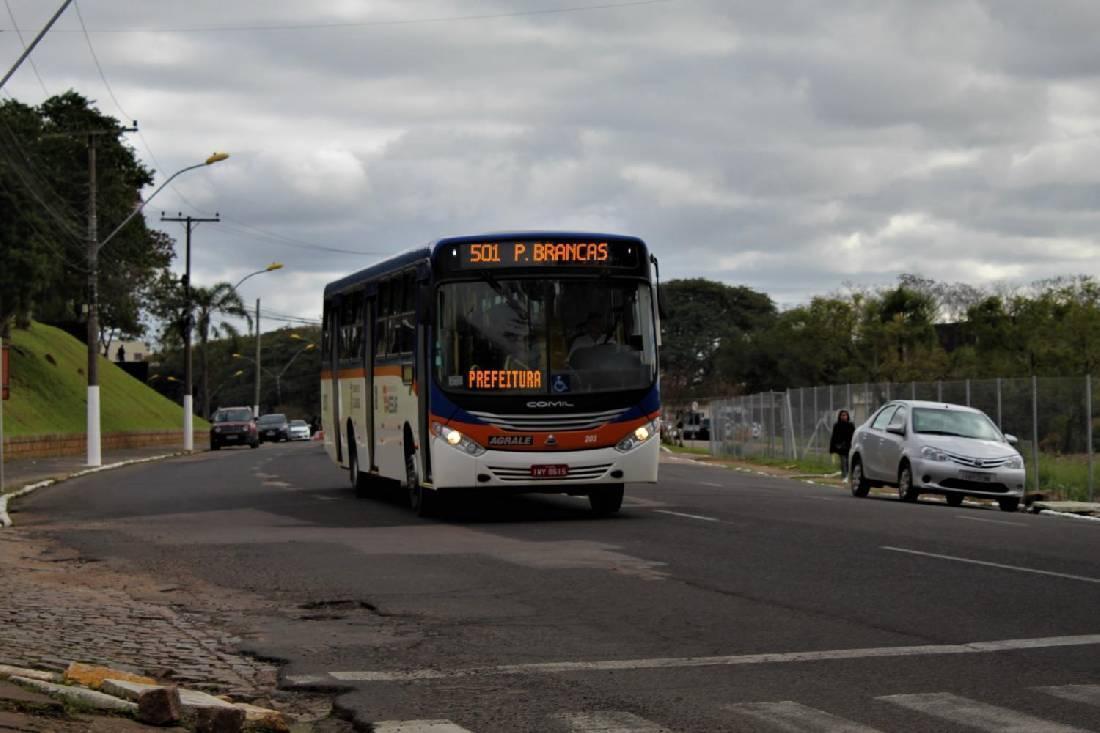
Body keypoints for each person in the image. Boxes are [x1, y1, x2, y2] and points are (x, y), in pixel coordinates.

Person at [829, 409, 856, 479]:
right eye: (842, 415)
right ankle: (844, 475)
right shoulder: (837, 425)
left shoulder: (851, 425)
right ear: (839, 416)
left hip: (849, 446)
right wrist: (833, 447)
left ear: (847, 416)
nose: (844, 417)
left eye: (845, 415)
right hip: (840, 447)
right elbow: (834, 437)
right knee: (843, 460)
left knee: (848, 461)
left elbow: (853, 435)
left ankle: (850, 474)